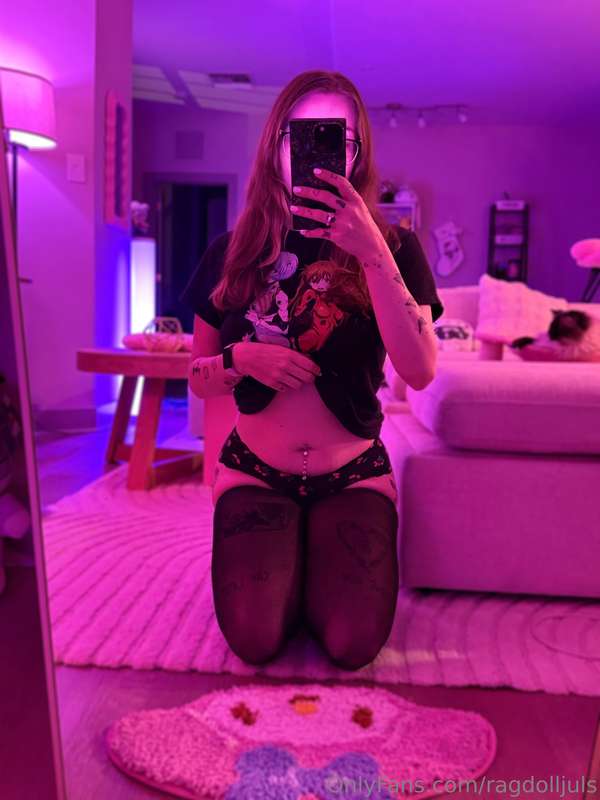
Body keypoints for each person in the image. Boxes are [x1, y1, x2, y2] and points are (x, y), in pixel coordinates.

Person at [180, 70, 444, 671]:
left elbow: (422, 370)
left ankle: (306, 564)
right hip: (254, 472)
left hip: (353, 476)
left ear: (357, 153)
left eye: (337, 137)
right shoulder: (232, 252)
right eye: (302, 134)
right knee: (255, 640)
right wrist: (241, 359)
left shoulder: (396, 249)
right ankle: (291, 563)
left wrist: (372, 252)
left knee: (352, 645)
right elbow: (196, 376)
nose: (319, 150)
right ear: (276, 146)